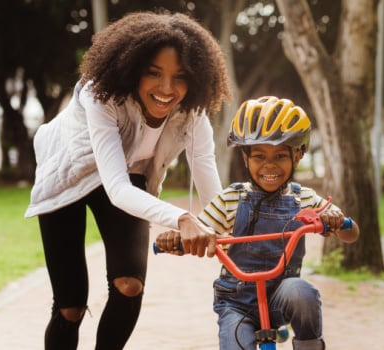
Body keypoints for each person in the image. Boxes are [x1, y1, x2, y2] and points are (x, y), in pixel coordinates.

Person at [23, 11, 231, 349]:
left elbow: (205, 171)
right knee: (70, 307)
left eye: (180, 77)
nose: (167, 88)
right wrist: (182, 219)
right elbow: (116, 189)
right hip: (68, 178)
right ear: (132, 69)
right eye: (154, 73)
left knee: (130, 285)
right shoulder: (100, 95)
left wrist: (228, 226)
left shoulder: (192, 113)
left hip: (128, 174)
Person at [155, 96, 360, 350]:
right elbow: (201, 229)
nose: (269, 166)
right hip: (237, 302)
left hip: (282, 296)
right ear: (245, 158)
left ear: (297, 156)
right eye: (259, 156)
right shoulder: (231, 198)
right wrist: (176, 239)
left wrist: (338, 221)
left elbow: (351, 233)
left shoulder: (305, 199)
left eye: (280, 156)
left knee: (303, 293)